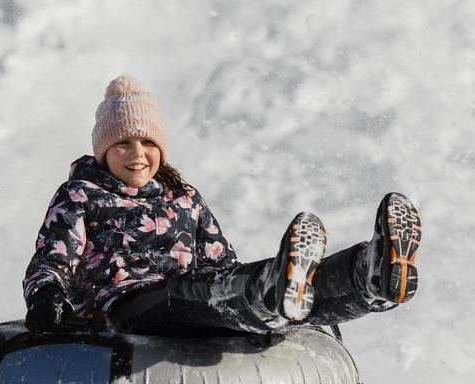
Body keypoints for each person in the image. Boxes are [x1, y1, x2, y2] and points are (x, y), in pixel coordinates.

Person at [23, 76, 421, 336]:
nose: (137, 154)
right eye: (123, 144)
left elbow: (219, 262)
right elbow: (53, 258)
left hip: (188, 297)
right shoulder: (81, 195)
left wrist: (236, 279)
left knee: (228, 286)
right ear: (103, 150)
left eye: (148, 144)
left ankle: (365, 277)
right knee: (195, 295)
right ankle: (271, 293)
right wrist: (46, 298)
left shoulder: (184, 197)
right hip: (125, 305)